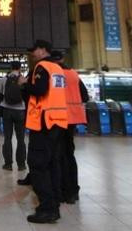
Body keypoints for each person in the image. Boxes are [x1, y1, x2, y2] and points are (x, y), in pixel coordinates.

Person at [18, 39, 68, 224]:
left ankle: (47, 208)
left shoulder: (42, 67)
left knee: (37, 164)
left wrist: (24, 83)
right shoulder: (57, 68)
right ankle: (54, 203)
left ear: (43, 50)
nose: (33, 53)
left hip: (44, 122)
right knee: (52, 164)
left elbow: (39, 89)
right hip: (58, 122)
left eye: (35, 50)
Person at [51, 50, 89, 204]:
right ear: (63, 59)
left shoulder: (54, 74)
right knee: (69, 154)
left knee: (57, 155)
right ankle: (73, 191)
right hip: (73, 118)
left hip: (57, 118)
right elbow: (85, 96)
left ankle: (60, 190)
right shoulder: (74, 74)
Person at [0, 61, 27, 171]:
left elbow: (1, 93)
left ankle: (8, 164)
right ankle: (21, 165)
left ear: (10, 68)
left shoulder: (4, 79)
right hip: (20, 110)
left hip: (7, 110)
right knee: (21, 139)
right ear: (20, 68)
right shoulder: (23, 79)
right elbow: (26, 94)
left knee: (7, 138)